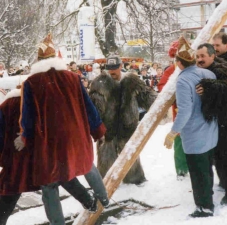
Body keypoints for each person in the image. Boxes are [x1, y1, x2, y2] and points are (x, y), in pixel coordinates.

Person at [14, 34, 107, 224]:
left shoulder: (31, 83)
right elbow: (88, 106)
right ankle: (103, 197)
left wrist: (24, 137)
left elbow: (28, 117)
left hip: (49, 143)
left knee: (49, 185)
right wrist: (97, 130)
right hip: (77, 136)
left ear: (38, 60)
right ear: (56, 58)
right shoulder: (73, 78)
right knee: (86, 164)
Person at [164, 37, 218, 218]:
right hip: (211, 130)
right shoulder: (208, 74)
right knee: (207, 170)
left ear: (179, 63)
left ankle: (204, 207)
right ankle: (208, 199)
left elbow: (185, 111)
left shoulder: (183, 81)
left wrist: (172, 133)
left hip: (195, 135)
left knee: (198, 173)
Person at [89, 55, 157, 185]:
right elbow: (94, 108)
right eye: (110, 68)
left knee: (130, 156)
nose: (112, 71)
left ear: (121, 66)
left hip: (127, 126)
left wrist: (161, 101)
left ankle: (135, 179)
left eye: (115, 68)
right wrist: (96, 127)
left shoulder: (132, 81)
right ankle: (105, 183)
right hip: (107, 128)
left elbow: (147, 96)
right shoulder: (99, 83)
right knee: (106, 159)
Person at [196, 43, 227, 205]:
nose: (199, 59)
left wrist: (208, 86)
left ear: (212, 56)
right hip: (224, 121)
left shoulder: (221, 70)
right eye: (198, 56)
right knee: (220, 157)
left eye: (203, 56)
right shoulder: (213, 68)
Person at [158, 40, 188, 180]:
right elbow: (162, 87)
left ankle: (195, 167)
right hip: (179, 109)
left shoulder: (192, 67)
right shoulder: (171, 70)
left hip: (194, 110)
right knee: (179, 139)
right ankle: (181, 169)